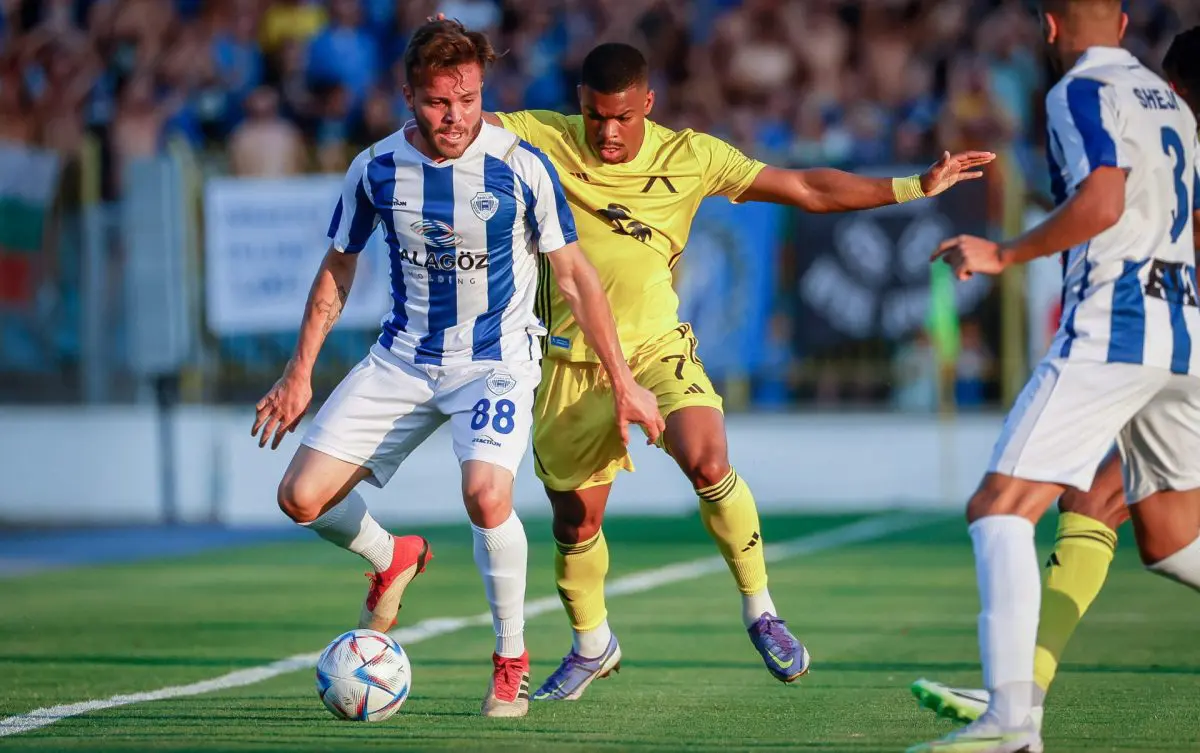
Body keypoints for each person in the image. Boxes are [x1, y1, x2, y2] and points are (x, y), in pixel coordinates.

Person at [479, 38, 994, 700]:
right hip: (567, 362)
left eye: (622, 117)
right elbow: (456, 118)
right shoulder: (540, 136)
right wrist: (445, 53)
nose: (607, 132)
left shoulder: (691, 155)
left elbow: (805, 186)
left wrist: (912, 186)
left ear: (648, 104)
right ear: (580, 104)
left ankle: (762, 611)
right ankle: (591, 644)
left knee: (707, 459)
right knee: (576, 523)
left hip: (656, 349)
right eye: (595, 116)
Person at [251, 20, 663, 719]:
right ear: (409, 97)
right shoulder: (375, 169)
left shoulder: (521, 166)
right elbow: (337, 270)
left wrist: (625, 382)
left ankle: (510, 661)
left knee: (485, 494)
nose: (455, 117)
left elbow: (575, 276)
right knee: (300, 498)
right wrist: (300, 372)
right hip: (404, 358)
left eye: (468, 99)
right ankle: (391, 557)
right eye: (440, 102)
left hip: (496, 360)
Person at [908, 2, 1200, 751]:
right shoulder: (1169, 103)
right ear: (1125, 23)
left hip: (1117, 326)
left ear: (1047, 26)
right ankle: (1017, 695)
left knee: (1000, 506)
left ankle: (1011, 719)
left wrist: (1004, 253)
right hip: (1180, 335)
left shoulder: (1079, 91)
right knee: (1167, 536)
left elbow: (1102, 200)